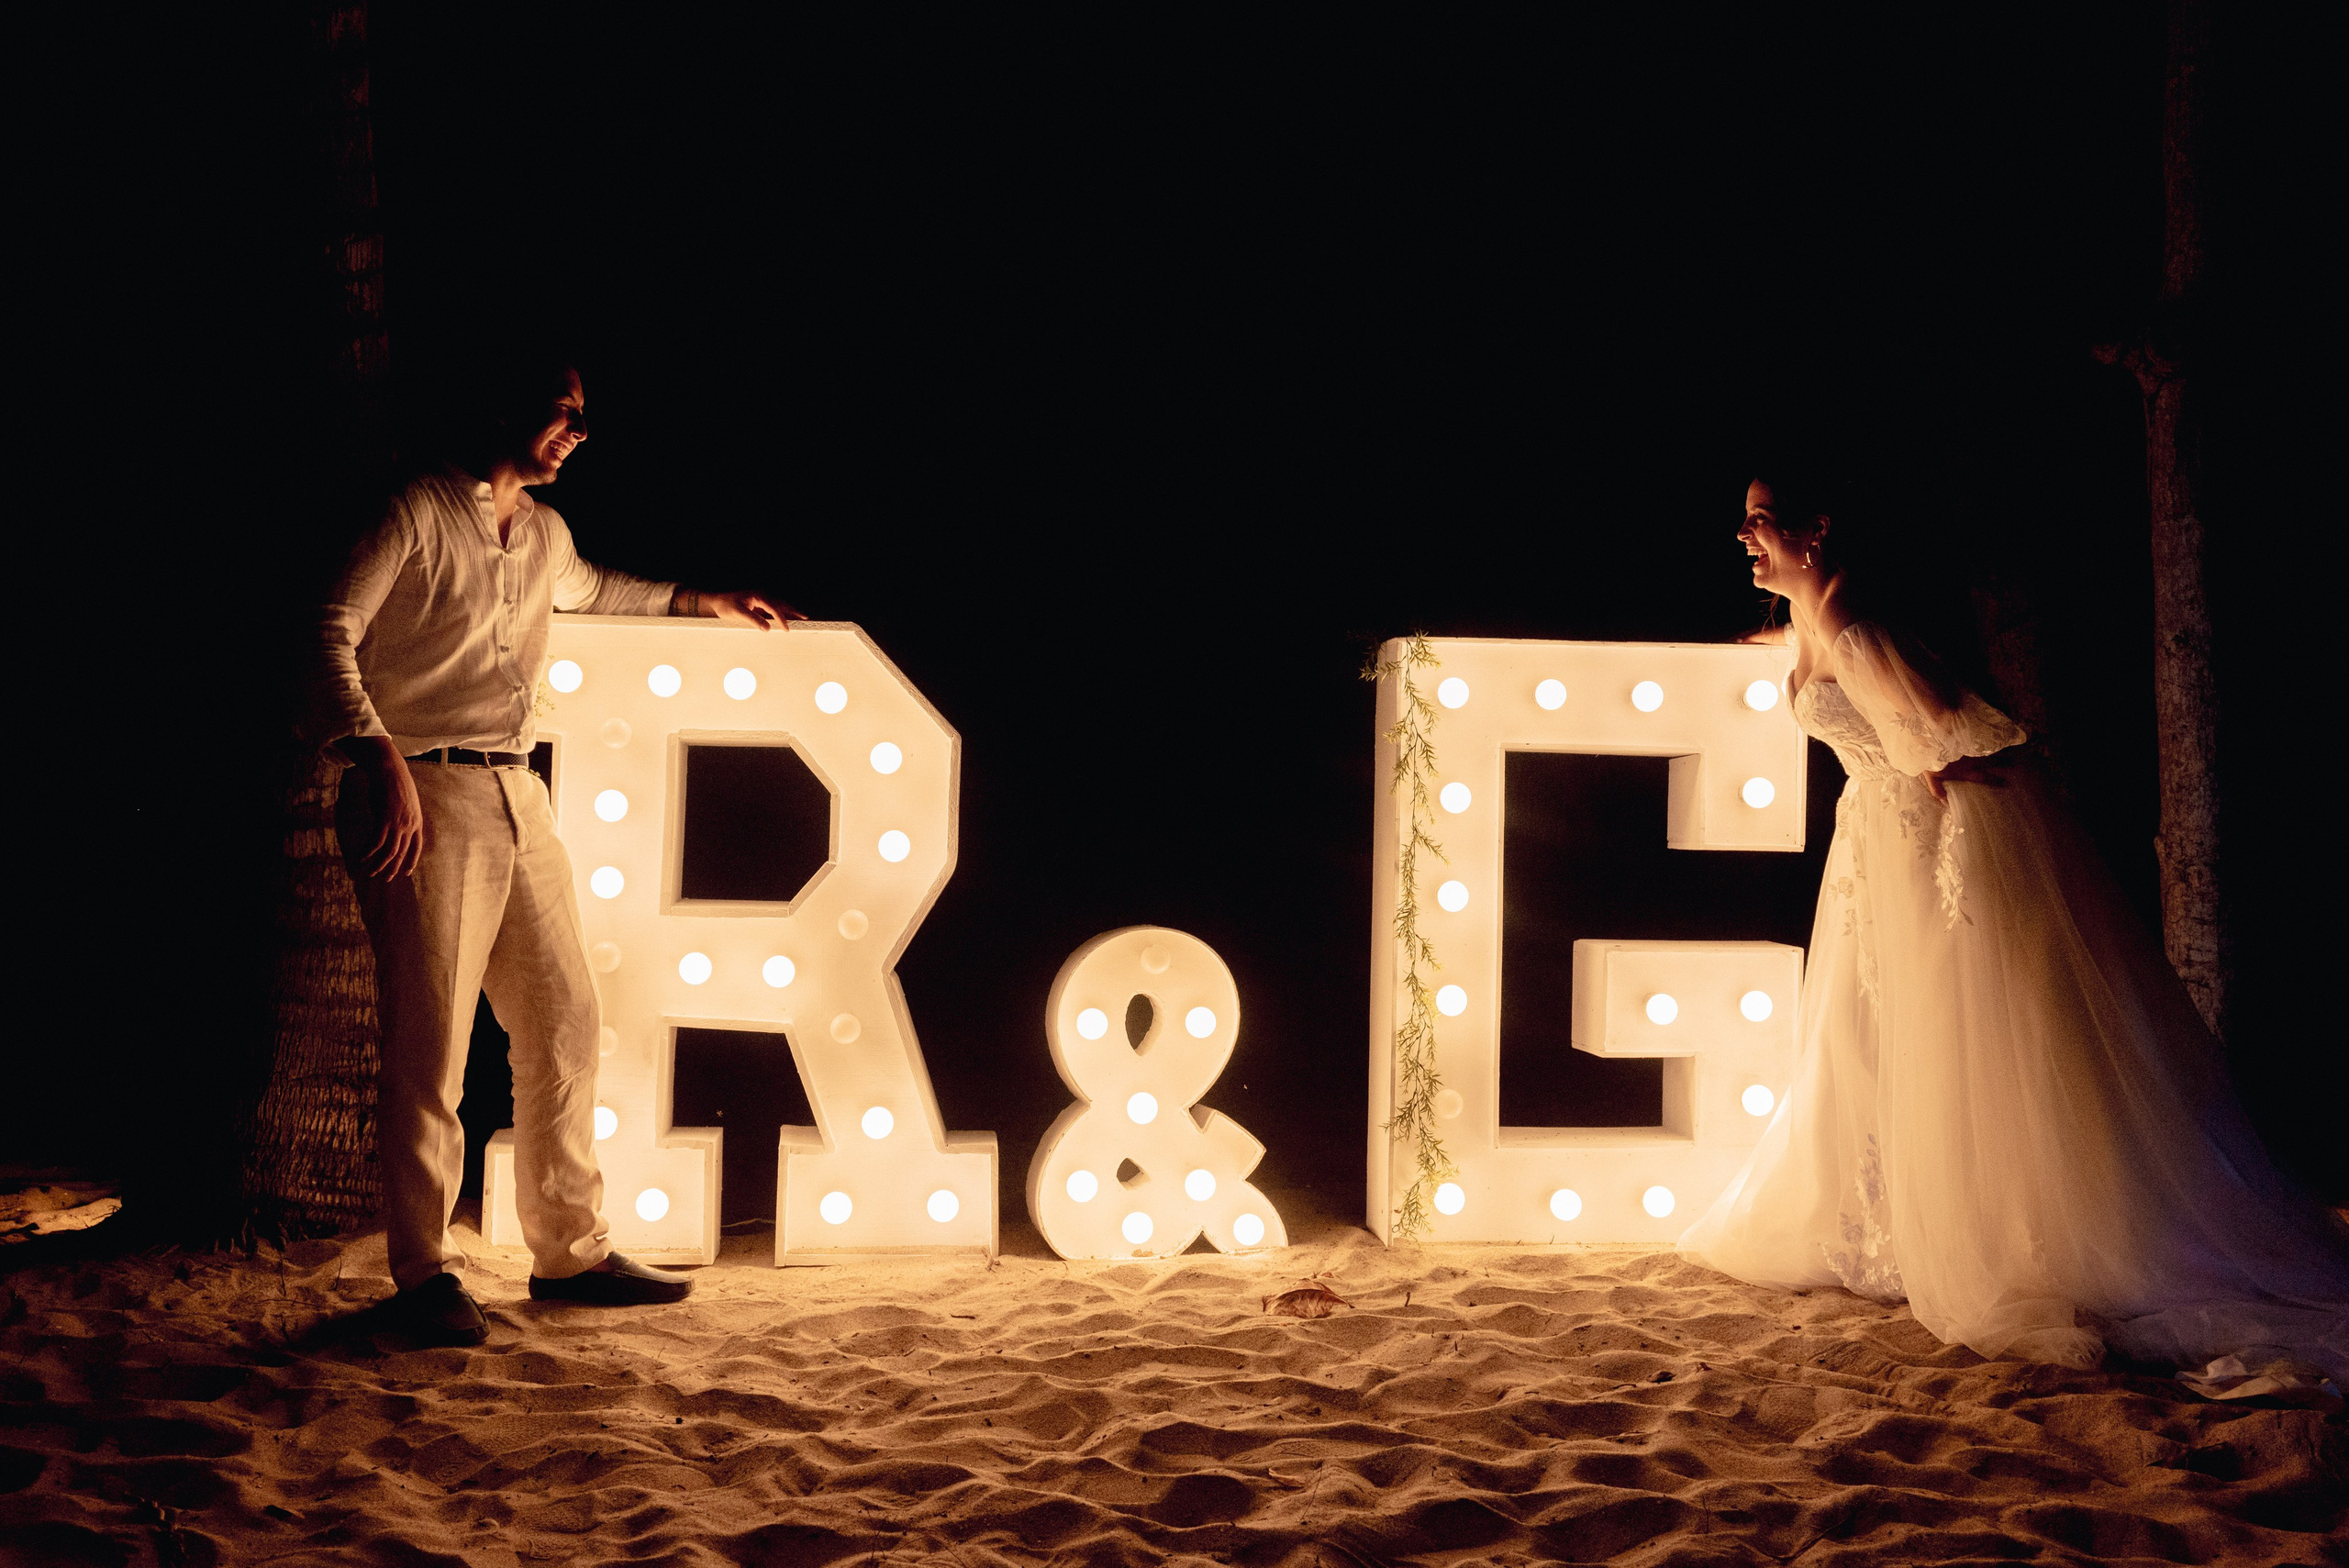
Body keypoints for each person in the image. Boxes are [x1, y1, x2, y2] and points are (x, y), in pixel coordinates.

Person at [1676, 472, 2349, 1382]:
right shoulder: (1812, 624)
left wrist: (1919, 762)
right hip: (1870, 851)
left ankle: (2005, 1229)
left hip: (1922, 851)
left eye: (1759, 522)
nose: (1744, 538)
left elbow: (1960, 724)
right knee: (1864, 1036)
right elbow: (1845, 693)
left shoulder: (1856, 628)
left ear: (1816, 527)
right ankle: (1886, 1220)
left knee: (1959, 1038)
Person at [311, 352, 803, 1344]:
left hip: (512, 787)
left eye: (582, 417)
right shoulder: (415, 509)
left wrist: (703, 601)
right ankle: (423, 1276)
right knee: (430, 1042)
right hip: (422, 790)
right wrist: (377, 752)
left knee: (566, 1017)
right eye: (563, 411)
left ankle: (569, 1251)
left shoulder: (544, 531)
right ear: (502, 403)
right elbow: (328, 625)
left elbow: (601, 589)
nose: (577, 431)